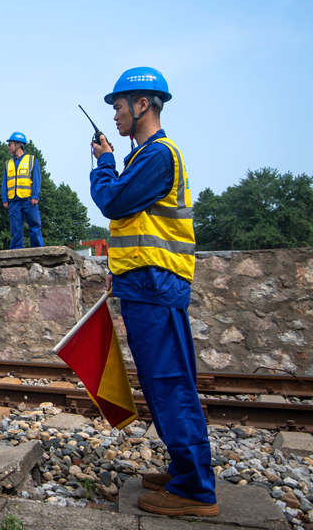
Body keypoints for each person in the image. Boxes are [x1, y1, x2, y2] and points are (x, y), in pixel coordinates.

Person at [90, 67, 218, 517]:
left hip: (156, 283)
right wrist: (118, 269)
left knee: (168, 382)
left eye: (119, 107)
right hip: (143, 280)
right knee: (161, 381)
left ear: (142, 104)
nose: (115, 116)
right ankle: (185, 470)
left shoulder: (158, 156)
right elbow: (136, 224)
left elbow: (112, 202)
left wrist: (104, 162)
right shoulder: (146, 157)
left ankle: (195, 489)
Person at [1, 132, 43, 249]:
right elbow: (4, 182)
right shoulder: (8, 163)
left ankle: (37, 250)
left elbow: (36, 178)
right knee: (15, 228)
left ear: (18, 144)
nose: (8, 147)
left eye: (10, 144)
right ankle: (16, 250)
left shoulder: (31, 160)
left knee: (34, 225)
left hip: (29, 199)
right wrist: (4, 198)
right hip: (13, 200)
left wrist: (35, 196)